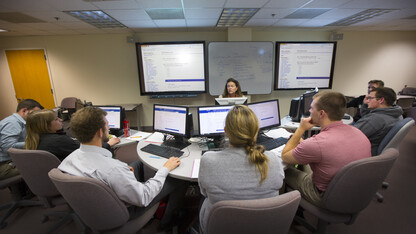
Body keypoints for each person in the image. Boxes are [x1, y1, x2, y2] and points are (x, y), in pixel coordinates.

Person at [58, 106, 186, 227]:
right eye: (107, 124)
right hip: (126, 212)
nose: (109, 127)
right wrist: (165, 169)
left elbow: (98, 176)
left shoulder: (69, 159)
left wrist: (123, 174)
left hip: (95, 207)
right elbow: (144, 197)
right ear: (99, 132)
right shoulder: (113, 169)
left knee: (137, 164)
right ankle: (168, 221)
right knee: (177, 179)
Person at [198, 105, 285, 232]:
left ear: (225, 131)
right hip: (263, 226)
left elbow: (204, 192)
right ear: (256, 131)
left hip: (220, 227)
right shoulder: (272, 159)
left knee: (204, 200)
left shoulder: (208, 160)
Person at [282, 91, 371, 208]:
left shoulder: (318, 143)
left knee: (283, 171)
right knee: (303, 164)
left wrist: (300, 130)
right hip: (356, 194)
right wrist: (304, 143)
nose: (309, 111)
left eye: (312, 108)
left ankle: (288, 211)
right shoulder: (359, 133)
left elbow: (285, 156)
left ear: (321, 113)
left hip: (327, 197)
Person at [24, 109, 120, 161]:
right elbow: (87, 150)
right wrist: (108, 144)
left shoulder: (33, 139)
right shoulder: (58, 141)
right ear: (46, 125)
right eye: (56, 119)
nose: (61, 120)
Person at [0, 99, 43, 180]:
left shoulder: (19, 122)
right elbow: (8, 147)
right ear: (24, 111)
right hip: (4, 166)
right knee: (40, 166)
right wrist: (34, 142)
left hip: (8, 161)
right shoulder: (12, 123)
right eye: (35, 113)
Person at [354, 87, 403, 156]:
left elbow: (351, 135)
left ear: (381, 100)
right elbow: (368, 118)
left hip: (364, 151)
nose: (368, 100)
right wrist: (365, 105)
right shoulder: (397, 113)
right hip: (377, 147)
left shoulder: (376, 119)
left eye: (370, 98)